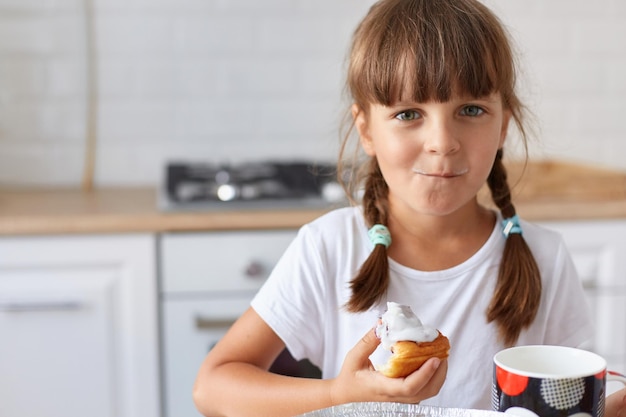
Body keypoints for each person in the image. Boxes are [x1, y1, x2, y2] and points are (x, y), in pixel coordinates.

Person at [193, 1, 626, 416]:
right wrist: (339, 394)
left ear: (503, 126)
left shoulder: (544, 257)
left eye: (471, 109)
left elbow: (579, 391)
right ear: (366, 130)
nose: (442, 141)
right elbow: (213, 387)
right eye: (407, 114)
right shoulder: (329, 247)